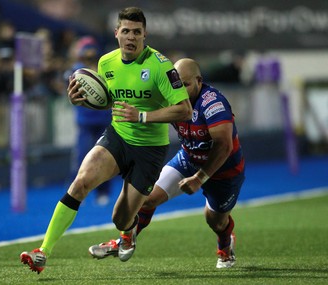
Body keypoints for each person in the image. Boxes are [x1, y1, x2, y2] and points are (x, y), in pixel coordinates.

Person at [20, 7, 192, 274]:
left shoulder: (160, 66)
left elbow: (184, 110)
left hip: (150, 149)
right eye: (126, 31)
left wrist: (142, 116)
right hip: (118, 137)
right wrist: (82, 101)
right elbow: (110, 103)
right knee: (80, 182)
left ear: (145, 34)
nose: (131, 37)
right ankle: (43, 252)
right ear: (116, 33)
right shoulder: (105, 63)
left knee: (120, 217)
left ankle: (127, 234)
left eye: (137, 32)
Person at [88, 58, 245, 269]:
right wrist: (90, 97)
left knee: (214, 220)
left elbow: (224, 146)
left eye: (186, 84)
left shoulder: (213, 103)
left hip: (224, 170)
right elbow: (128, 100)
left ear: (199, 81)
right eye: (177, 84)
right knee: (145, 199)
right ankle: (125, 240)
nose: (179, 89)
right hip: (188, 159)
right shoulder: (170, 95)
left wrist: (200, 178)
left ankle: (225, 246)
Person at [63, 36, 112, 206]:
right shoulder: (76, 71)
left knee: (104, 160)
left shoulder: (105, 70)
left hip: (103, 121)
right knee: (80, 158)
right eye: (86, 49)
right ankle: (74, 193)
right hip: (85, 122)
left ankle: (103, 192)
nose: (89, 53)